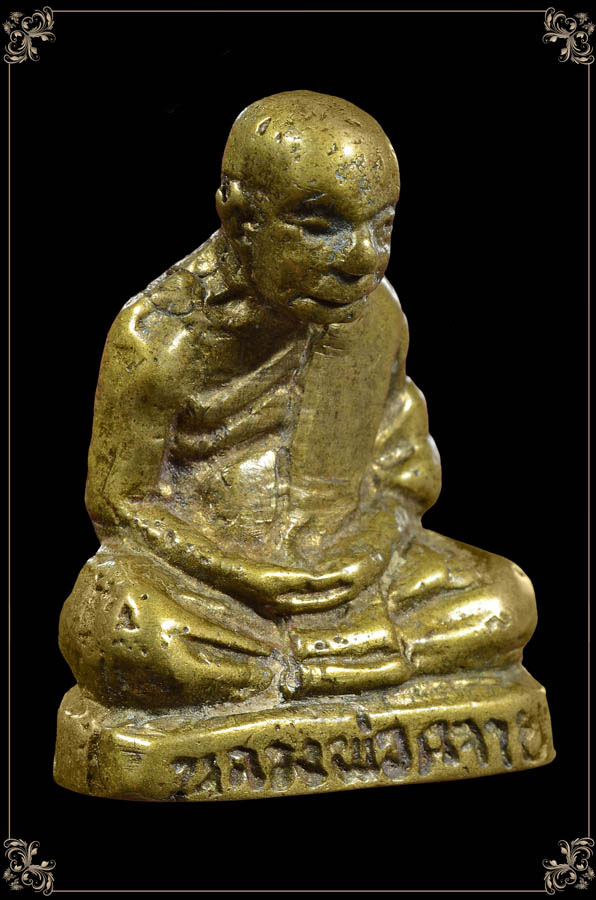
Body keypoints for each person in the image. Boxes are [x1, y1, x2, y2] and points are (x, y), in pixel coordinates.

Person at [59, 90, 537, 709]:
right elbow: (120, 503)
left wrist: (370, 549)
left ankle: (300, 669)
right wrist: (248, 575)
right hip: (215, 590)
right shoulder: (162, 337)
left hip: (358, 574)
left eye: (382, 227)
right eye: (319, 227)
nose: (362, 259)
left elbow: (406, 469)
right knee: (127, 630)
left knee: (507, 595)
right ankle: (346, 660)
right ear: (240, 220)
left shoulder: (379, 317)